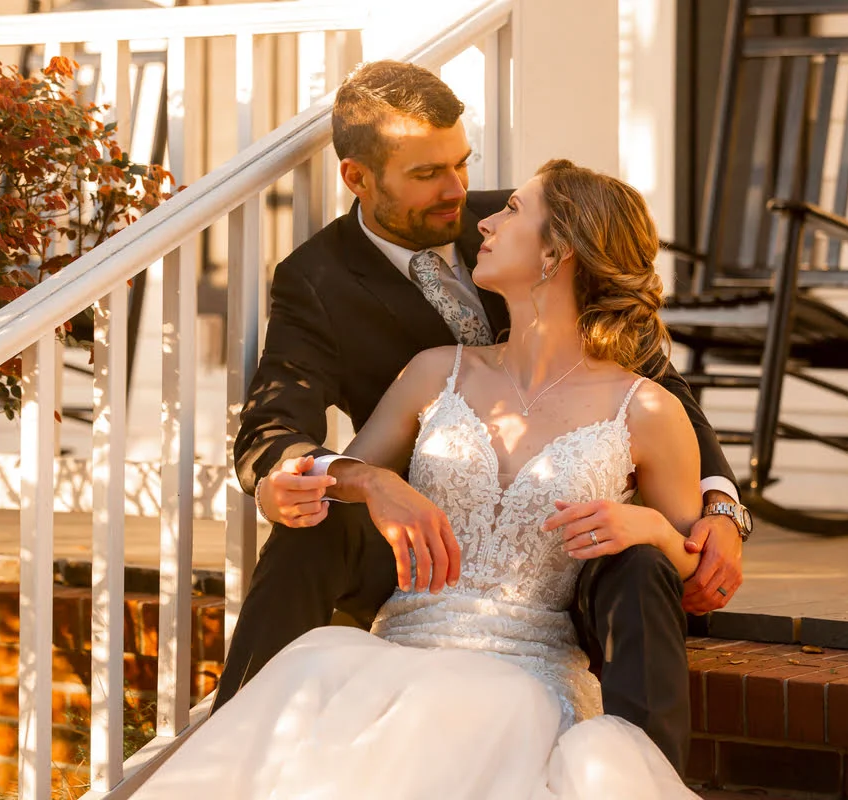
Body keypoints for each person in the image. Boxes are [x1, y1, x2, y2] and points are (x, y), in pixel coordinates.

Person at [217, 60, 752, 772]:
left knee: (642, 562)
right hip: (419, 550)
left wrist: (717, 509)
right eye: (428, 174)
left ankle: (642, 773)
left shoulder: (532, 219)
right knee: (307, 528)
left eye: (462, 164)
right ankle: (235, 744)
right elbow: (273, 420)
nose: (462, 195)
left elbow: (662, 398)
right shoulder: (319, 283)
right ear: (358, 178)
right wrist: (360, 480)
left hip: (563, 565)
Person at [139, 160, 705, 799]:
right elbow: (344, 482)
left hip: (525, 676)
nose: (483, 221)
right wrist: (343, 482)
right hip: (395, 648)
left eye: (513, 210)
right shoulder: (436, 371)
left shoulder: (647, 410)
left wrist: (652, 527)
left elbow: (693, 564)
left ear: (560, 250)